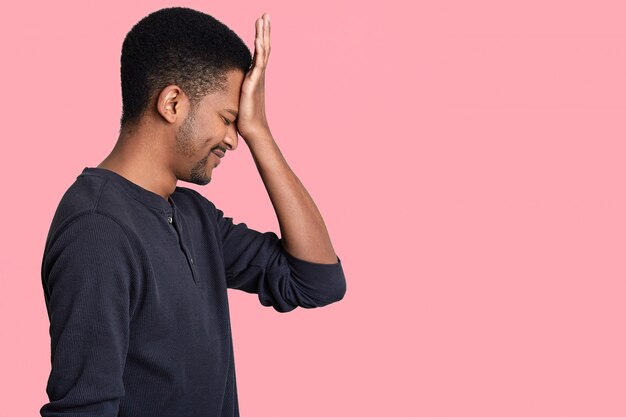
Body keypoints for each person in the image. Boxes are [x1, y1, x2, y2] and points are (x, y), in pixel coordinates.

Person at [39, 7, 346, 417]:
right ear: (172, 103)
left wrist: (261, 132)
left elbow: (317, 281)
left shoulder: (193, 216)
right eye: (228, 119)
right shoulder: (97, 231)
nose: (233, 140)